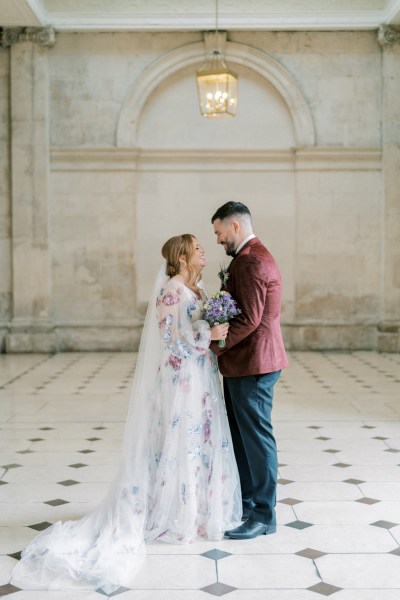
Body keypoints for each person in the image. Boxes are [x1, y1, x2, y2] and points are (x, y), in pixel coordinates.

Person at [11, 234, 241, 594]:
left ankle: (195, 512)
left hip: (201, 379)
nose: (203, 251)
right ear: (181, 257)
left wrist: (211, 333)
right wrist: (207, 335)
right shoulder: (172, 291)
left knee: (198, 440)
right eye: (196, 247)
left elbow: (191, 332)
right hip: (181, 381)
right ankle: (174, 514)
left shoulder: (195, 289)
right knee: (181, 440)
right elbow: (172, 343)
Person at [210, 202, 288, 540]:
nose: (217, 239)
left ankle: (263, 516)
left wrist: (216, 346)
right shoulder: (247, 258)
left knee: (256, 441)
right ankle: (246, 505)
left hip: (254, 365)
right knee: (242, 440)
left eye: (218, 232)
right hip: (247, 364)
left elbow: (250, 319)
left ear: (235, 226)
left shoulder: (251, 261)